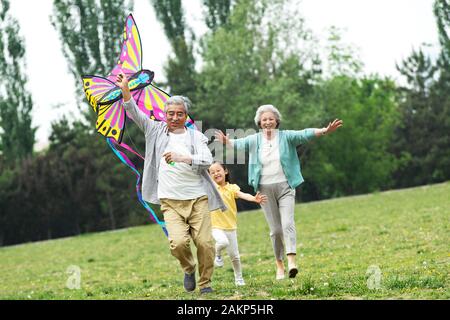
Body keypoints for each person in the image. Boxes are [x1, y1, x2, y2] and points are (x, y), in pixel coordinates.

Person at [116, 73, 227, 294]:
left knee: (205, 244)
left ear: (186, 116)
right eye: (171, 114)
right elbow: (132, 111)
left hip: (197, 199)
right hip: (170, 200)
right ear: (164, 115)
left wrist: (184, 158)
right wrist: (126, 89)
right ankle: (189, 268)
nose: (175, 117)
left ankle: (205, 284)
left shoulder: (196, 137)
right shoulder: (154, 130)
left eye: (179, 114)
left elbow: (207, 160)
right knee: (177, 243)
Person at [215, 104, 343, 280]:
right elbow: (237, 144)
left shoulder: (286, 137)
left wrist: (324, 130)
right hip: (264, 190)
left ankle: (292, 262)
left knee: (288, 223)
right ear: (259, 122)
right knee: (275, 230)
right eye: (264, 119)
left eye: (271, 119)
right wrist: (227, 141)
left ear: (276, 121)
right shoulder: (254, 140)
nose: (268, 122)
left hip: (285, 187)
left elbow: (304, 133)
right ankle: (279, 264)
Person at [208, 162, 267, 286]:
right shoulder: (211, 189)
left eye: (218, 170)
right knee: (223, 242)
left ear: (225, 171)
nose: (216, 174)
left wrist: (253, 199)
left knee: (235, 256)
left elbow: (242, 194)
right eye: (212, 172)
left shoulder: (232, 188)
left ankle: (239, 279)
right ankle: (217, 255)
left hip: (231, 227)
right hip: (215, 226)